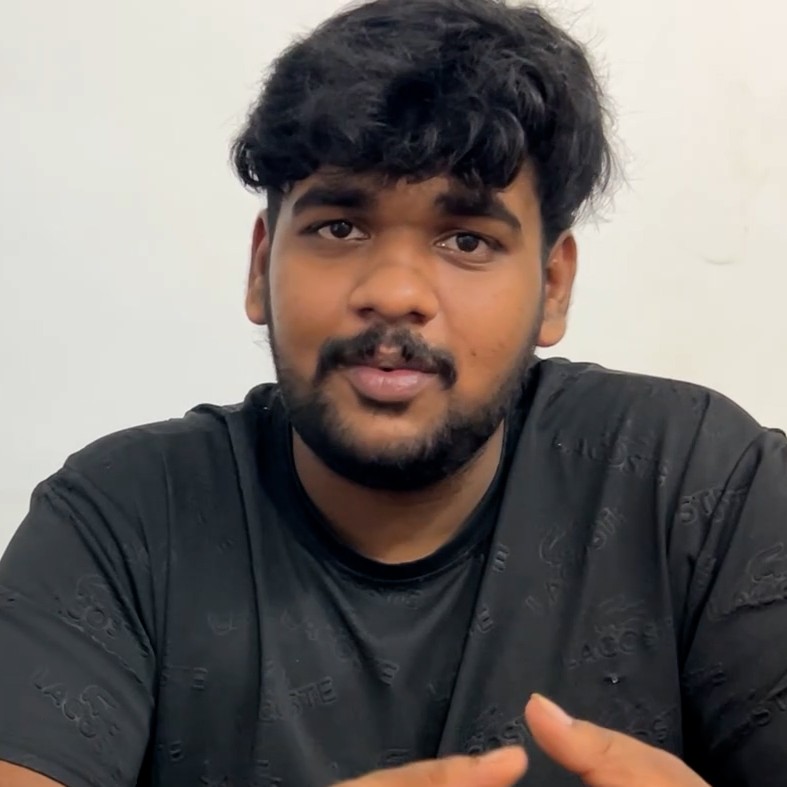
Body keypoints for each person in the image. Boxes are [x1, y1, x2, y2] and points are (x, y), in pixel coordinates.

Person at [0, 0, 785, 785]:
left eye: (466, 239)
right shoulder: (122, 521)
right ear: (260, 267)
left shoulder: (700, 487)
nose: (395, 292)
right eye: (340, 227)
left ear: (551, 286)